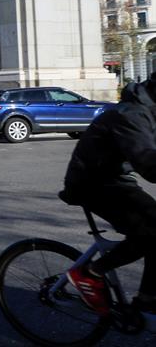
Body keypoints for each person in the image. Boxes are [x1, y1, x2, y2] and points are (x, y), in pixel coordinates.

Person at [60, 73, 156, 316]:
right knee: (151, 231)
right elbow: (148, 163)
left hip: (115, 180)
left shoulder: (149, 111)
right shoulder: (131, 114)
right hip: (91, 182)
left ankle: (147, 299)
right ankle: (89, 273)